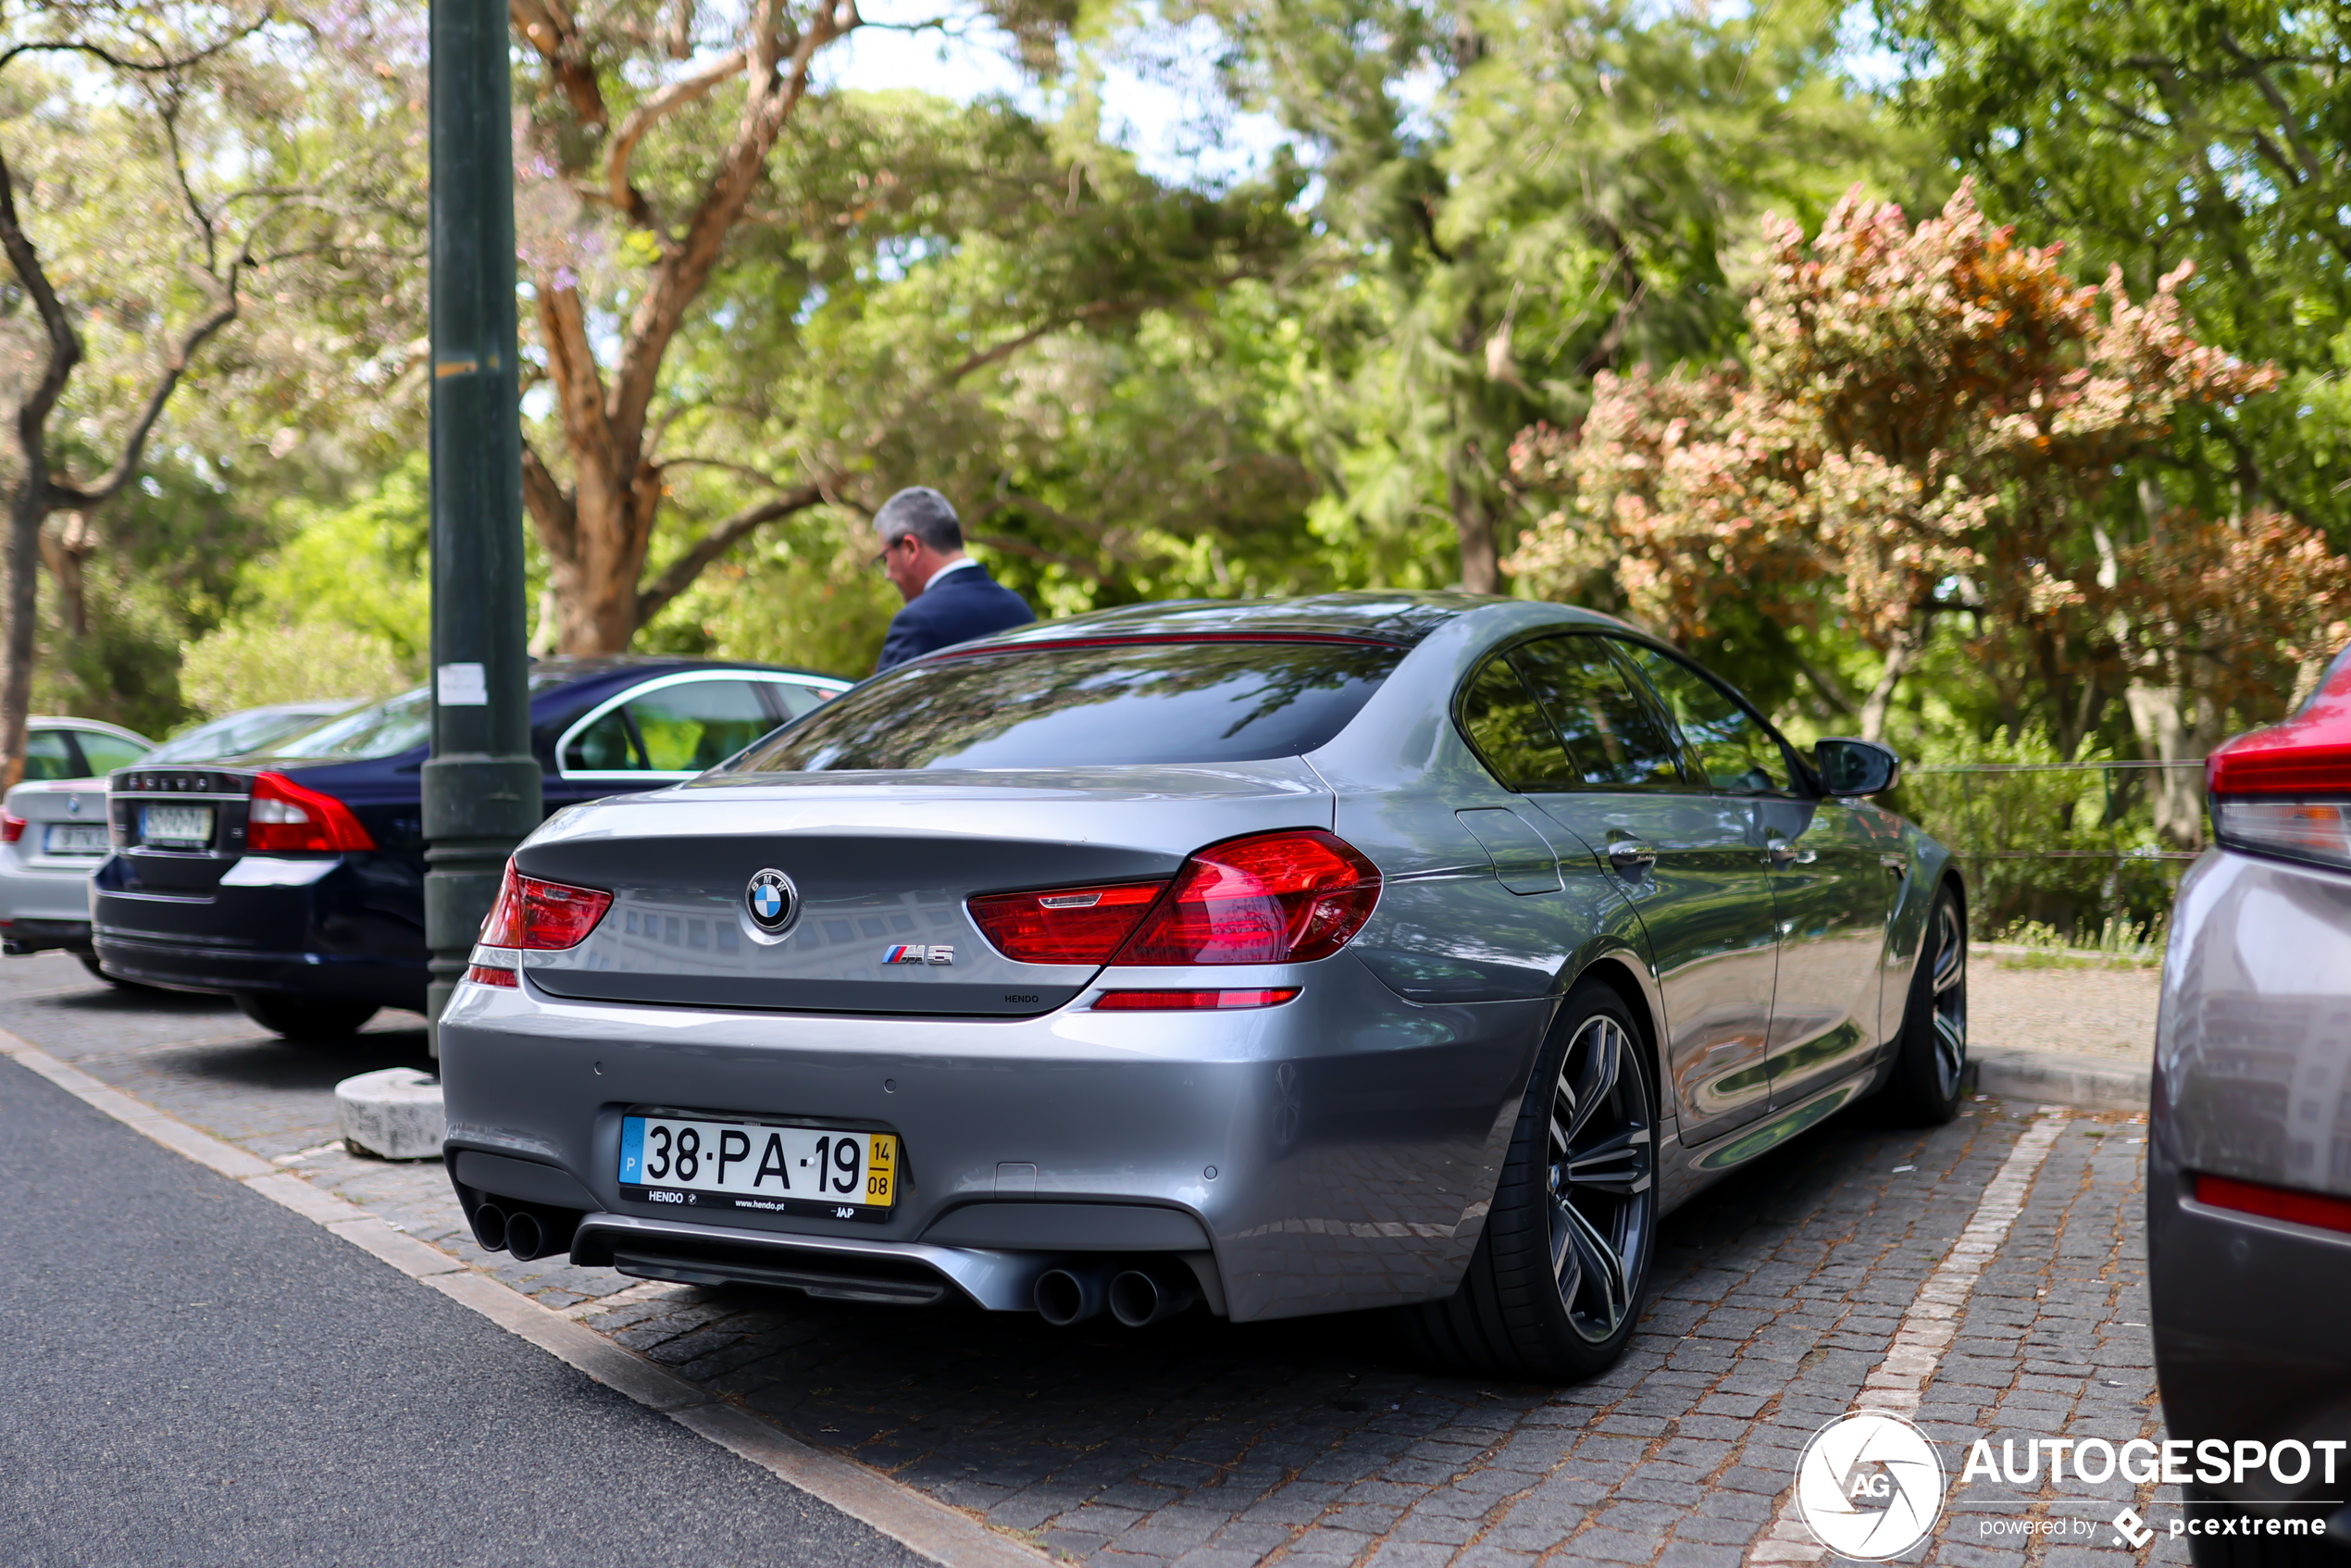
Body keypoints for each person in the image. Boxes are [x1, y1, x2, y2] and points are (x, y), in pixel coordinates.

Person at [870, 487, 1034, 671]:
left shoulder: (917, 622)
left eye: (885, 559)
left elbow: (889, 699)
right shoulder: (1017, 607)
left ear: (910, 548)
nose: (887, 575)